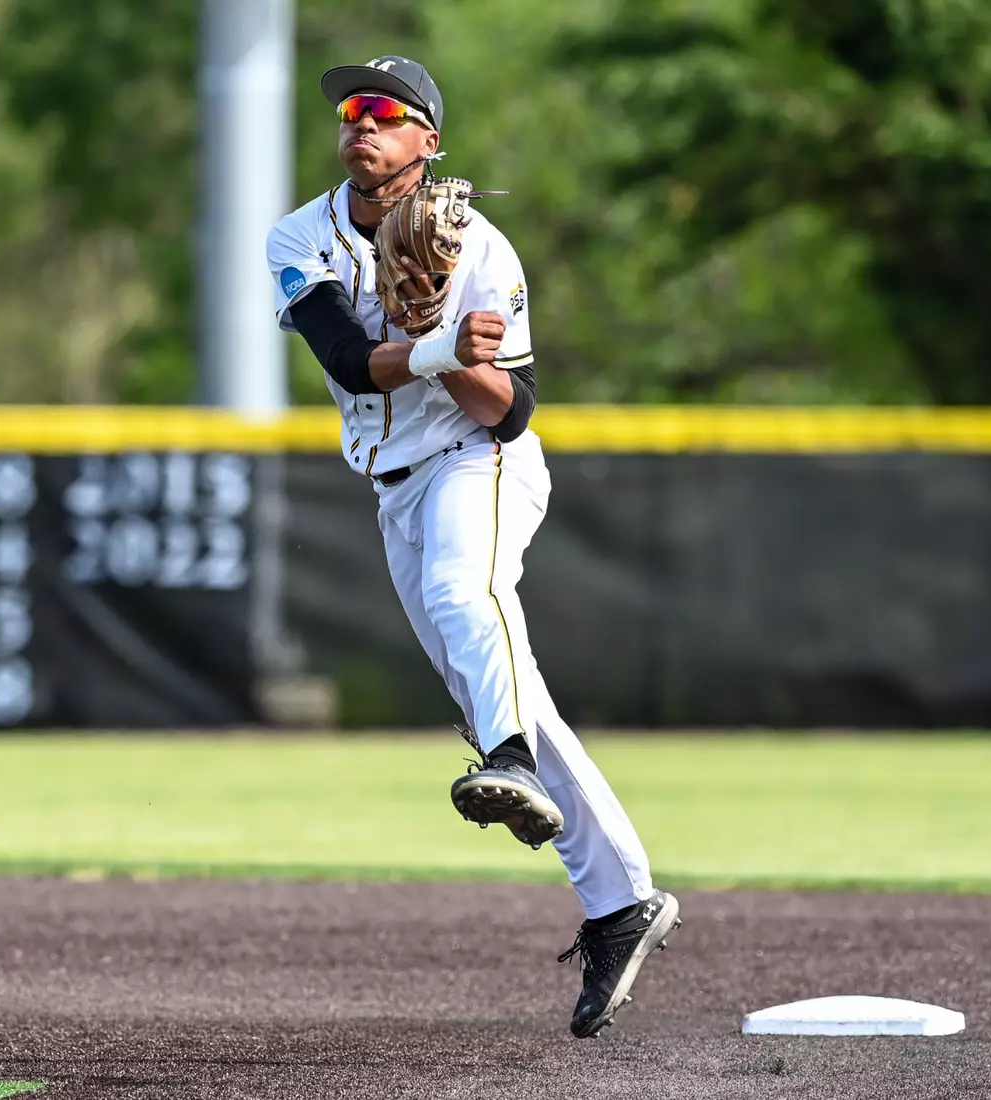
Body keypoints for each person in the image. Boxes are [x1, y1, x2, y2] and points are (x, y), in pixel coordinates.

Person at [265, 55, 680, 1038]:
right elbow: (342, 362)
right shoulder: (299, 234)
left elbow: (510, 411)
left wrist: (460, 355)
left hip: (476, 465)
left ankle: (504, 759)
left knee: (465, 593)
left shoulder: (483, 249)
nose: (358, 123)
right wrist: (440, 344)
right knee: (503, 684)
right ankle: (621, 903)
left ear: (428, 141)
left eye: (384, 111)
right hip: (391, 486)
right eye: (349, 111)